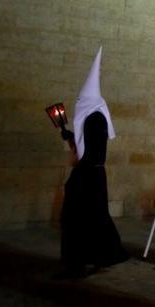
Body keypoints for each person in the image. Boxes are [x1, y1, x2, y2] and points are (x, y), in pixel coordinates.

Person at [59, 47, 129, 277]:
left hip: (88, 175)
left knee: (82, 217)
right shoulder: (93, 116)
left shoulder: (95, 118)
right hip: (91, 174)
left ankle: (85, 260)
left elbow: (92, 152)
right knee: (94, 216)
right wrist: (70, 137)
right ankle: (99, 254)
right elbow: (87, 147)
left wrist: (78, 162)